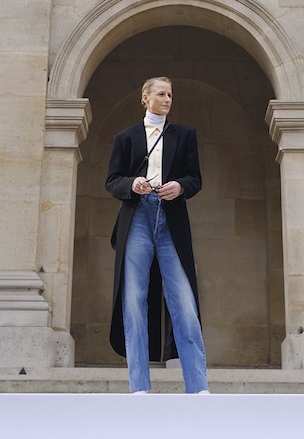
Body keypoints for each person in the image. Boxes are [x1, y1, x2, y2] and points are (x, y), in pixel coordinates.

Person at [106, 76, 209, 394]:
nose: (167, 100)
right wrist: (132, 184)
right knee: (133, 300)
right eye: (161, 94)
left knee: (184, 302)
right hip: (137, 217)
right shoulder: (125, 137)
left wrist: (180, 186)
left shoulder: (184, 134)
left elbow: (194, 178)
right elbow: (112, 181)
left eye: (170, 95)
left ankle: (198, 387)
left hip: (170, 219)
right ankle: (139, 386)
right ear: (145, 98)